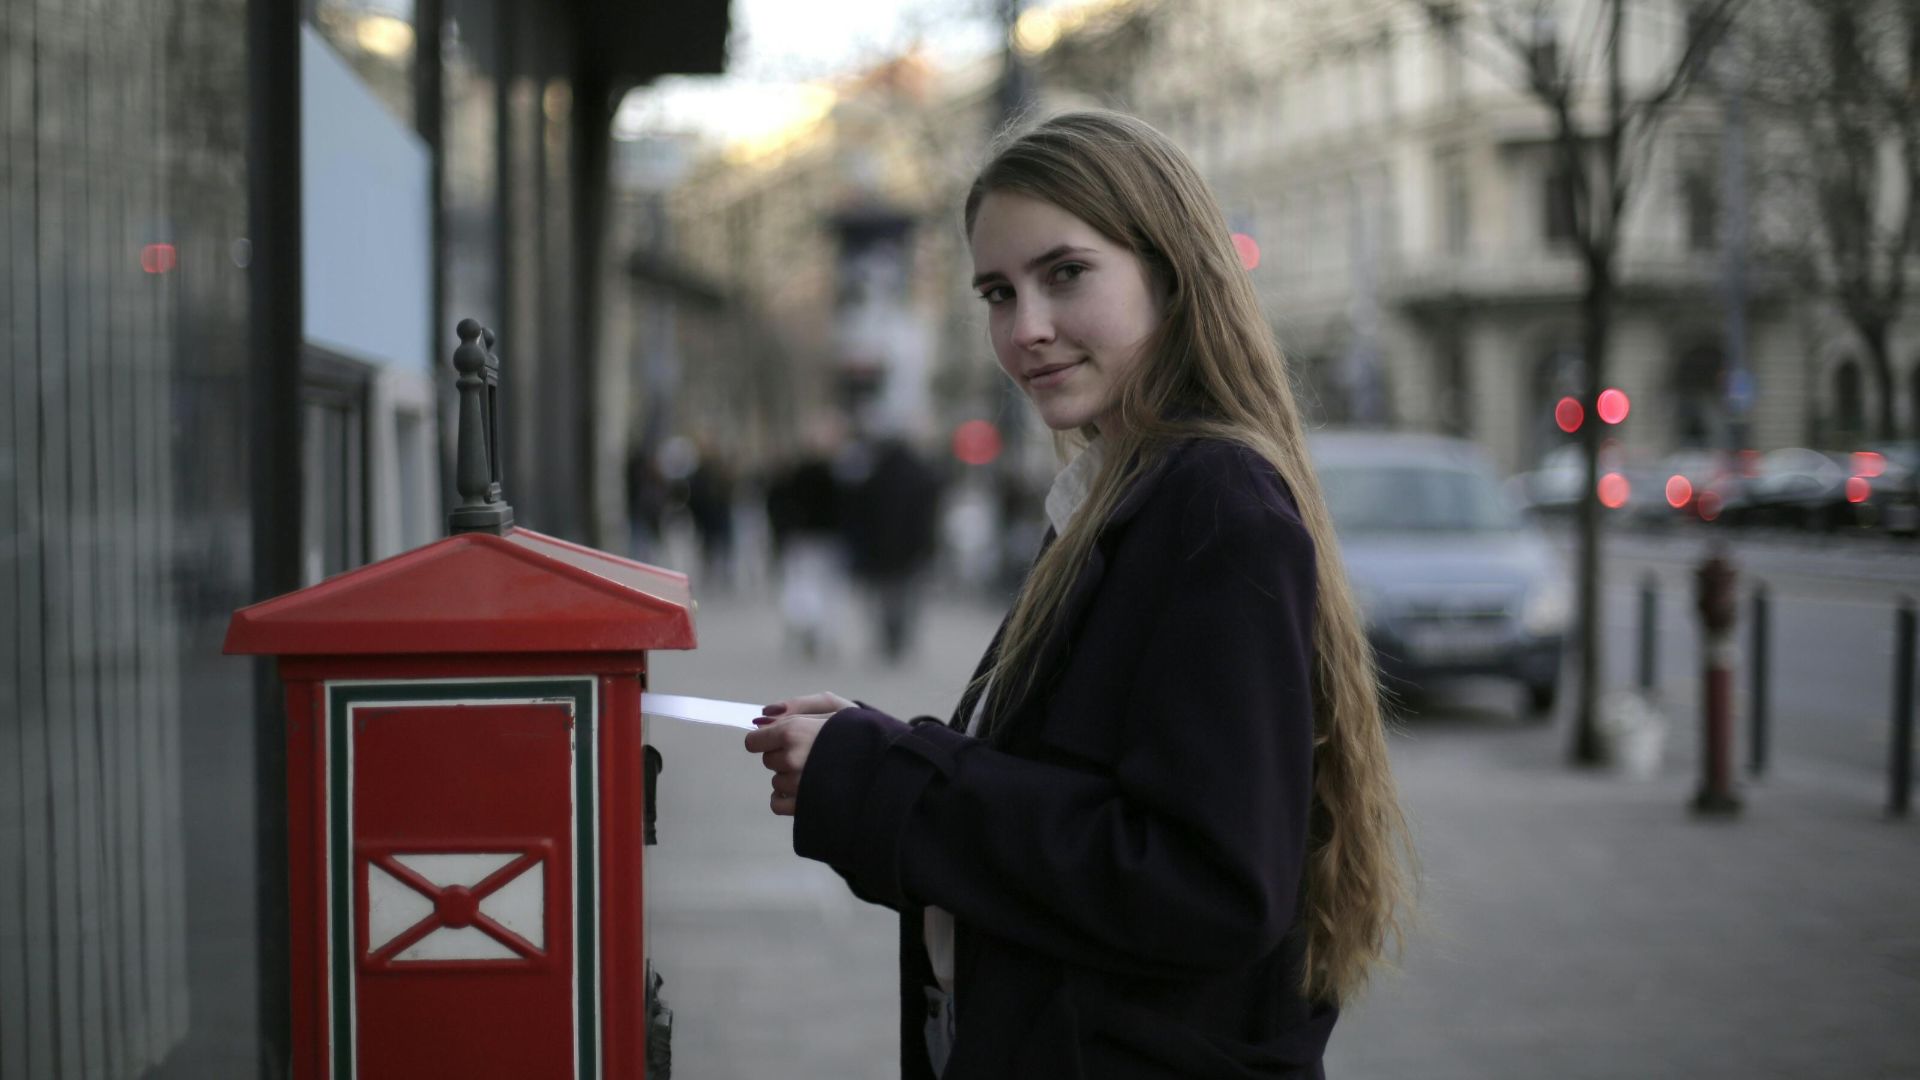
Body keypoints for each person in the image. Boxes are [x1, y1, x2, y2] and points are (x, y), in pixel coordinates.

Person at [743, 110, 1413, 1080]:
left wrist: (885, 783)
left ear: (1172, 275)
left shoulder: (1212, 503)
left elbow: (1209, 884)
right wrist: (881, 748)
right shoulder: (1128, 494)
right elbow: (1084, 787)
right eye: (997, 292)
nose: (1027, 330)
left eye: (1065, 275)